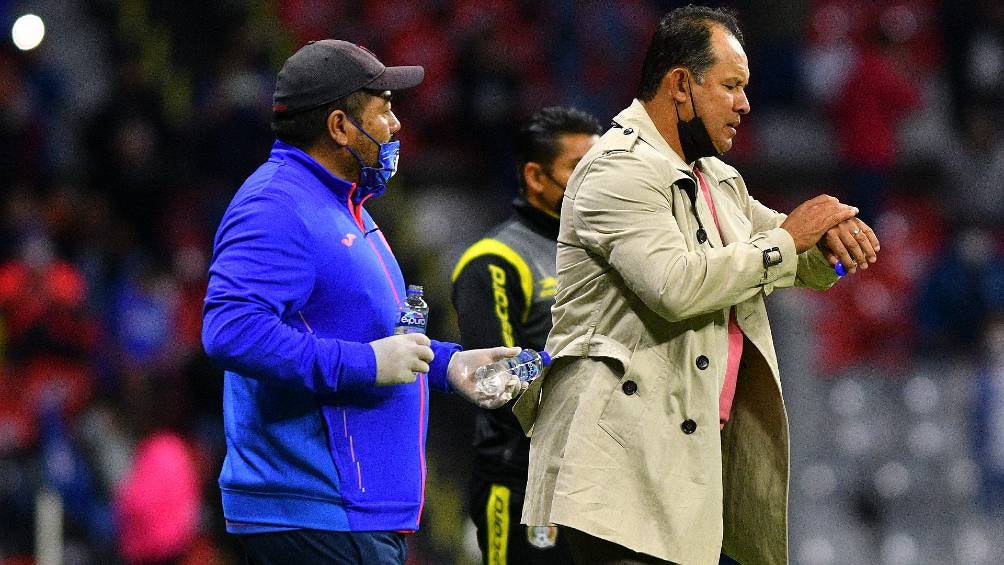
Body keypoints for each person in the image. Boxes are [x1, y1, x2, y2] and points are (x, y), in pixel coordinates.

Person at [513, 6, 881, 565]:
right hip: (617, 471)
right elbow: (678, 285)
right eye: (731, 86)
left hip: (678, 465)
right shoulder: (617, 169)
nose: (745, 104)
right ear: (681, 85)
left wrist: (830, 245)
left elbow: (780, 253)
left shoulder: (715, 179)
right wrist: (791, 238)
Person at [201, 40, 525, 565]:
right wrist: (367, 363)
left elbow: (372, 332)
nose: (396, 124)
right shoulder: (277, 204)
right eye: (384, 109)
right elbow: (231, 331)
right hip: (316, 508)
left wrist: (448, 365)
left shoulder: (346, 207)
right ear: (339, 126)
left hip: (350, 511)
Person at [451, 106, 602, 565]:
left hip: (602, 486)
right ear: (536, 177)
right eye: (578, 170)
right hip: (522, 486)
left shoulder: (607, 251)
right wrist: (566, 356)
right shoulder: (494, 261)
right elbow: (489, 380)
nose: (593, 184)